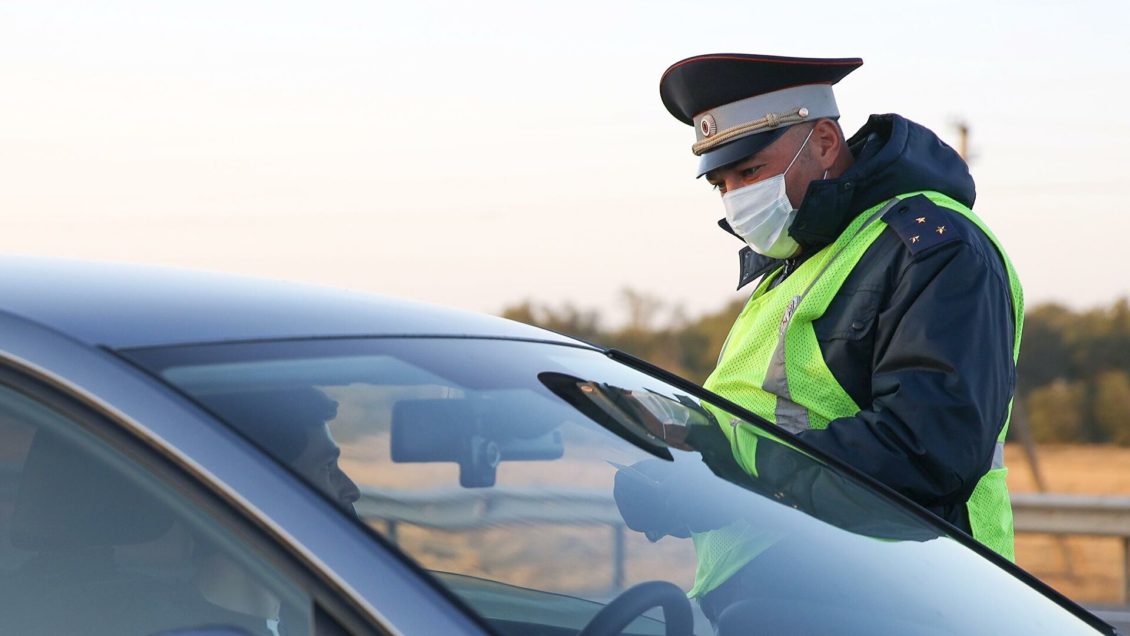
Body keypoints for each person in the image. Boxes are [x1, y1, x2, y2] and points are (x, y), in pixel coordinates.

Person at [651, 53, 1023, 615]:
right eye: (721, 184)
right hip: (788, 595)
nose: (735, 200)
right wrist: (676, 472)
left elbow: (927, 453)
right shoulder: (798, 262)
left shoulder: (935, 248)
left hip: (905, 599)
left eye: (749, 172)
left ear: (825, 142)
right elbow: (758, 419)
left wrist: (733, 467)